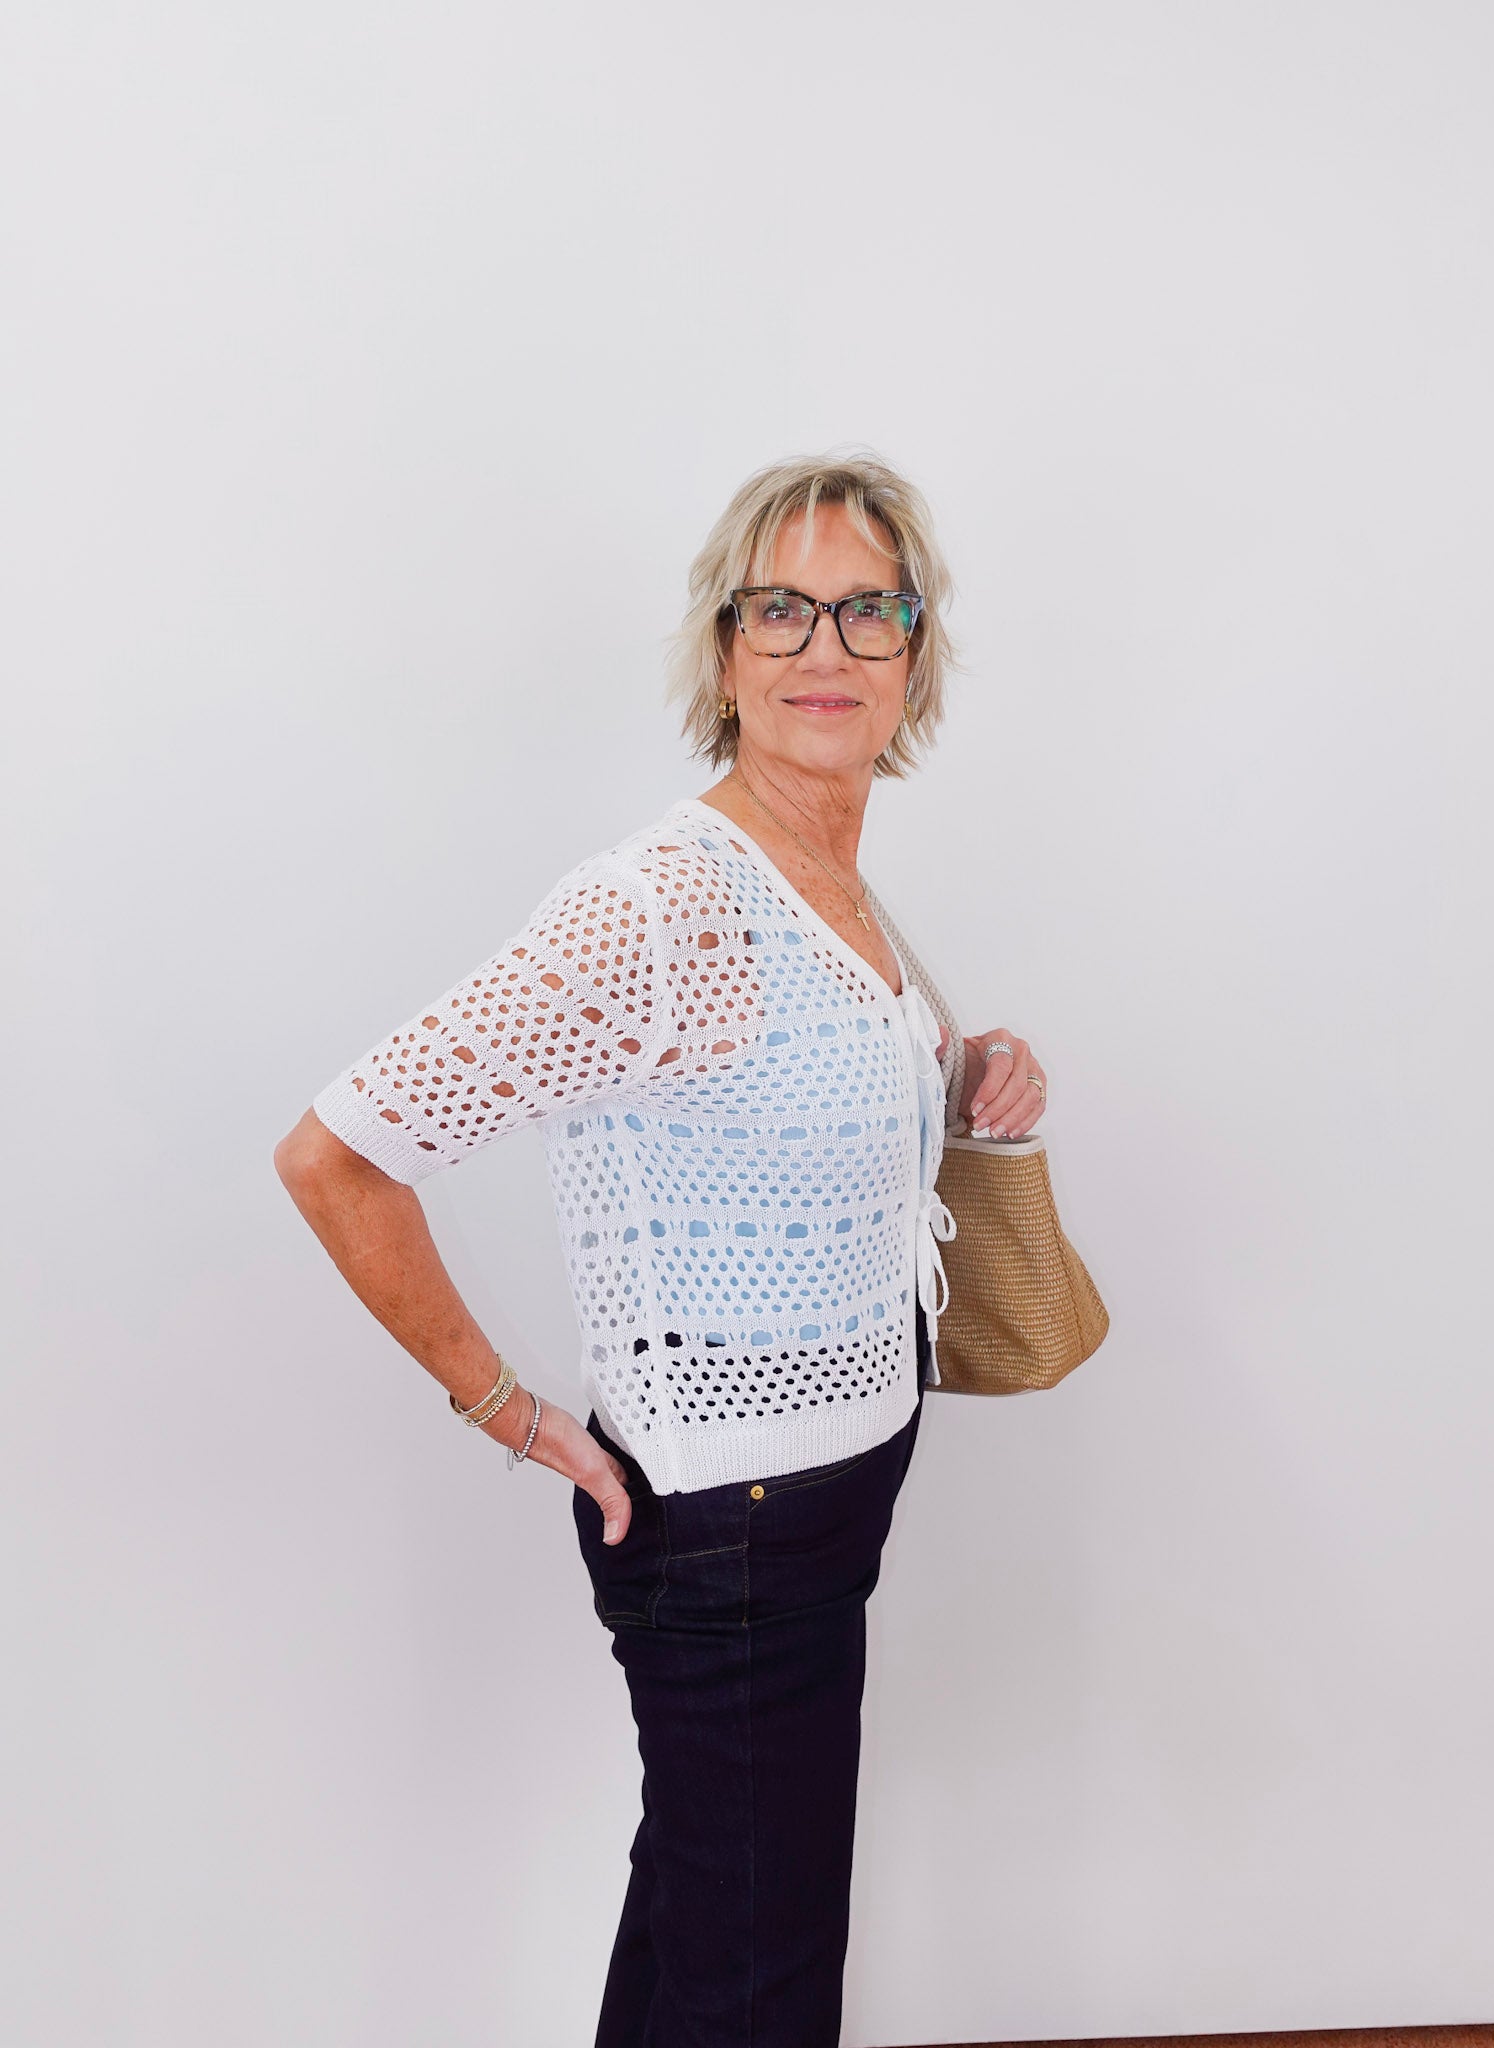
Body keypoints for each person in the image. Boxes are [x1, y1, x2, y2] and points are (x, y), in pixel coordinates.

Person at [273, 450, 1048, 2047]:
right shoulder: (666, 907)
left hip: (826, 1490)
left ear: (916, 653)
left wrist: (960, 1081)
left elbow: (787, 1102)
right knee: (757, 1980)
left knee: (718, 1924)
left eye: (867, 610)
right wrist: (505, 1407)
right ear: (723, 650)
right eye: (783, 608)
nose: (826, 648)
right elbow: (338, 1157)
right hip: (729, 1526)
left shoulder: (828, 879)